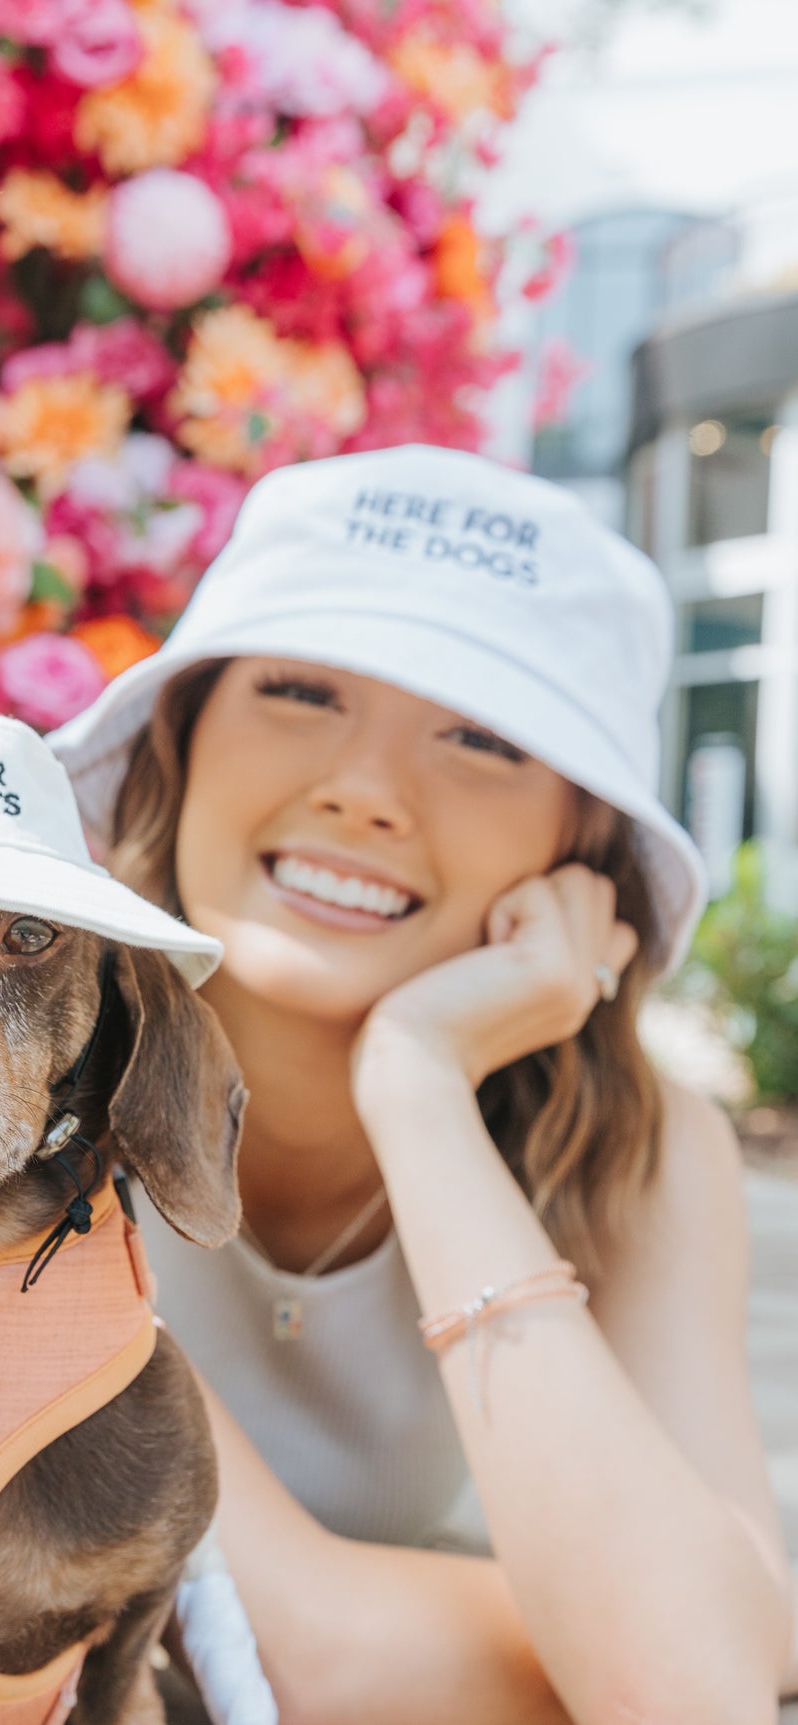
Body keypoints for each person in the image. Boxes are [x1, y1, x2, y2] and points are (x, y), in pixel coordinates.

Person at [47, 444, 797, 1724]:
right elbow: (305, 1657)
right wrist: (614, 1611)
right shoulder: (29, 1097)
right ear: (179, 737)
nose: (363, 791)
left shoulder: (630, 1142)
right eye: (298, 690)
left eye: (478, 737)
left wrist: (419, 1087)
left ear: (580, 846)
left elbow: (708, 1680)